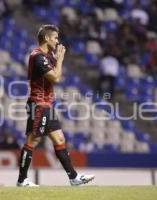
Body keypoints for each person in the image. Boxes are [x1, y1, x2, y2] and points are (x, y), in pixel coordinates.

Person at [16, 24, 94, 187]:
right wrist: (60, 61)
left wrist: (57, 61)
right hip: (38, 104)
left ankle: (74, 178)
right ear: (46, 38)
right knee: (33, 140)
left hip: (47, 105)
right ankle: (22, 180)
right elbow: (56, 78)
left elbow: (58, 76)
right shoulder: (37, 56)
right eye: (56, 37)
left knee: (59, 139)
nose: (58, 41)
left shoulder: (47, 56)